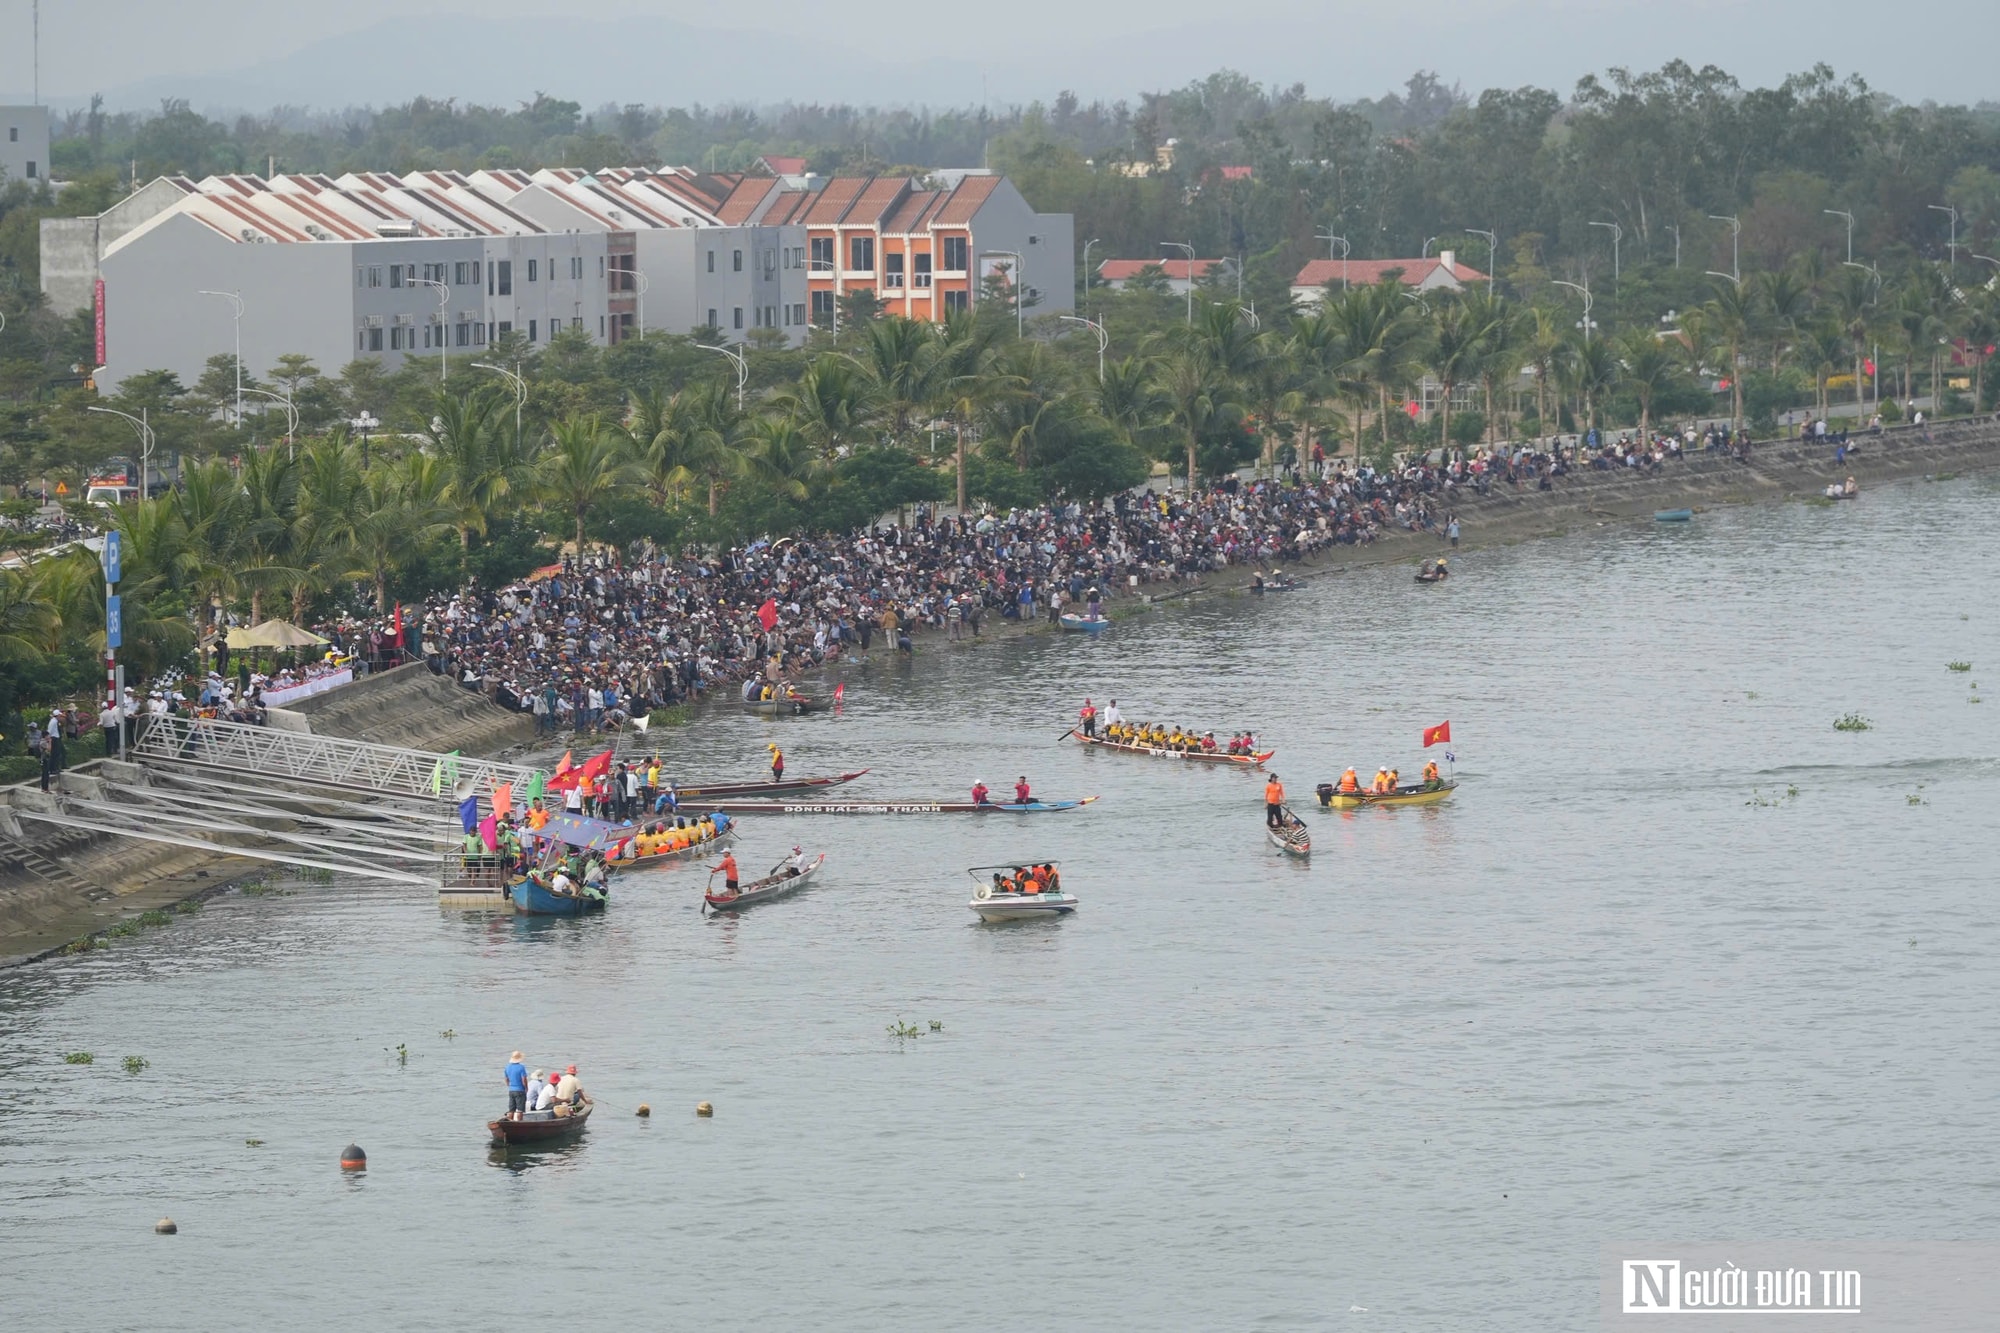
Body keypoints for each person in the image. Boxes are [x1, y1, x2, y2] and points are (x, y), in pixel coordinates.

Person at [504, 1051, 528, 1118]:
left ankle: (510, 1122)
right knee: (520, 1110)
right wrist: (526, 1088)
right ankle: (519, 1123)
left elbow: (506, 1079)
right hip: (520, 1090)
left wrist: (509, 1086)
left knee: (511, 1110)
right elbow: (524, 1079)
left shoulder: (507, 1067)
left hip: (511, 1090)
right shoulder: (521, 1067)